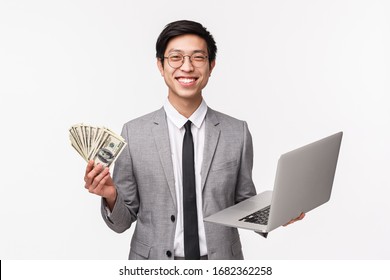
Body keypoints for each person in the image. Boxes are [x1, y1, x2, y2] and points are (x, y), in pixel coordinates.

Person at [84, 20, 304, 260]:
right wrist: (111, 195)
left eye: (198, 57)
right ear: (160, 65)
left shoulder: (236, 132)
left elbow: (243, 204)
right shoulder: (133, 133)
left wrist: (278, 212)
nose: (186, 67)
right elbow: (122, 222)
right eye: (176, 57)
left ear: (211, 66)